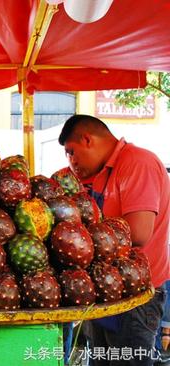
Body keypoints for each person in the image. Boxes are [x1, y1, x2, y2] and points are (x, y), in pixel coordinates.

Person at [58, 114, 170, 366]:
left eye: (72, 152)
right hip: (104, 290)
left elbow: (139, 234)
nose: (71, 161)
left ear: (87, 139)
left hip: (136, 296)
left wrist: (79, 240)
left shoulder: (138, 163)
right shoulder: (97, 172)